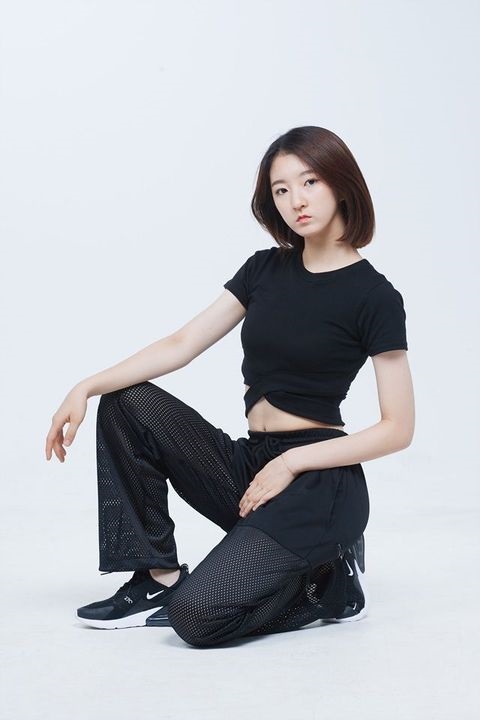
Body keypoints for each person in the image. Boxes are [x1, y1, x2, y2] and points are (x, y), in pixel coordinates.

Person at [45, 125, 415, 647]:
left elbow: (398, 428)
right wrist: (84, 386)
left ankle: (331, 586)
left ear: (340, 183)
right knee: (127, 401)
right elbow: (182, 343)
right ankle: (158, 577)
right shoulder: (265, 269)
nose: (296, 200)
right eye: (281, 189)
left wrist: (292, 462)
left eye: (309, 181)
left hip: (318, 482)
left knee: (195, 619)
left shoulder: (374, 296)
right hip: (253, 463)